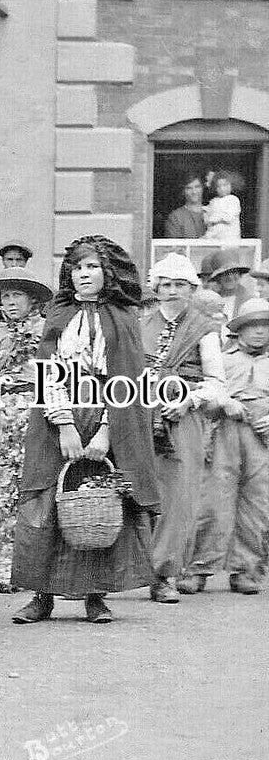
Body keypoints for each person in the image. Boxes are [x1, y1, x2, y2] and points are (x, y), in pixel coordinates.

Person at [11, 235, 158, 625]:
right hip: (57, 416)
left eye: (91, 266)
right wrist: (64, 425)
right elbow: (48, 371)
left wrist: (106, 433)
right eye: (77, 267)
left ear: (107, 272)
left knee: (98, 500)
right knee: (48, 497)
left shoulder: (124, 318)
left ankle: (96, 596)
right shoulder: (59, 314)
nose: (83, 274)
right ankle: (42, 596)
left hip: (109, 413)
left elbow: (127, 380)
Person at [140, 253, 226, 603]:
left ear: (191, 289)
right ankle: (127, 570)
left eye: (179, 285)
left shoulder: (204, 328)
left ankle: (164, 574)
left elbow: (217, 383)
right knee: (135, 491)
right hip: (140, 413)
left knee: (177, 497)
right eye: (166, 284)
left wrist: (188, 400)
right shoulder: (141, 324)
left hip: (182, 417)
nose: (172, 291)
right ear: (156, 287)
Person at [180, 298, 269, 595]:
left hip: (263, 440)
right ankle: (198, 568)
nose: (258, 332)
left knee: (257, 504)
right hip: (224, 431)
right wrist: (225, 402)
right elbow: (207, 390)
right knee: (213, 499)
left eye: (265, 326)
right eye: (251, 325)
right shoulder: (224, 358)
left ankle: (246, 570)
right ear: (239, 330)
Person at [0, 267, 54, 593]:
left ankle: (18, 570)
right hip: (0, 421)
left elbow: (52, 373)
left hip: (31, 420)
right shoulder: (3, 335)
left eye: (16, 295)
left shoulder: (46, 332)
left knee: (24, 494)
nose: (9, 302)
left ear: (32, 299)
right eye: (5, 296)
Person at [201, 248, 253, 324]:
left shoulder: (249, 300)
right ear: (218, 277)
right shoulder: (210, 299)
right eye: (225, 273)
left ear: (240, 274)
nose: (230, 277)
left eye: (234, 272)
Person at [203, 170, 243, 241]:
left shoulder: (233, 199)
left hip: (229, 238)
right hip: (215, 237)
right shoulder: (213, 201)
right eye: (219, 186)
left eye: (225, 185)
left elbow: (228, 217)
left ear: (232, 185)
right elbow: (207, 218)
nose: (222, 188)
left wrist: (215, 219)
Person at [163, 174, 207, 239]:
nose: (194, 191)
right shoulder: (176, 217)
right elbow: (173, 247)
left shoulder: (213, 212)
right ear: (183, 191)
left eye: (197, 187)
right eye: (189, 188)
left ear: (202, 188)